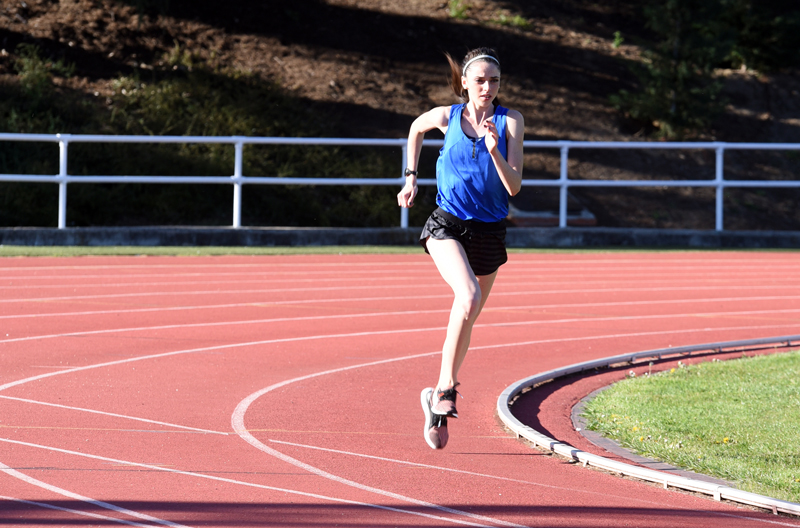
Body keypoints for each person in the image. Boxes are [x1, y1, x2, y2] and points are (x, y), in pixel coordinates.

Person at [397, 47, 524, 450]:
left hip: (490, 232)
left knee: (467, 317)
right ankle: (448, 388)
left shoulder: (510, 122)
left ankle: (435, 396)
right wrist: (411, 177)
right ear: (465, 83)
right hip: (447, 223)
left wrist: (493, 150)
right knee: (466, 295)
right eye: (481, 80)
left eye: (495, 81)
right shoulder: (446, 117)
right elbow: (415, 129)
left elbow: (514, 186)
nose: (488, 87)